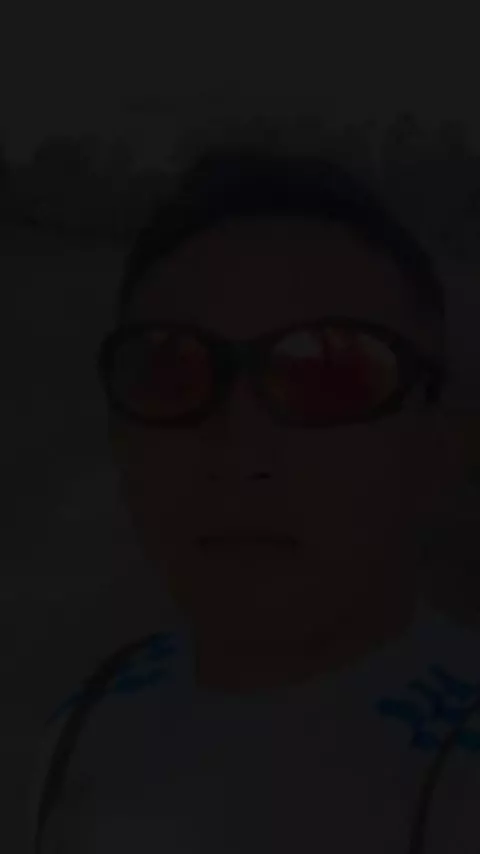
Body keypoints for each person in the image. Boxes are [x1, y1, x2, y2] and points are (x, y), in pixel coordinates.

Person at [27, 142, 480, 854]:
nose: (240, 453)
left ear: (439, 444)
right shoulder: (79, 729)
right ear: (120, 441)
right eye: (171, 373)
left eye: (333, 378)